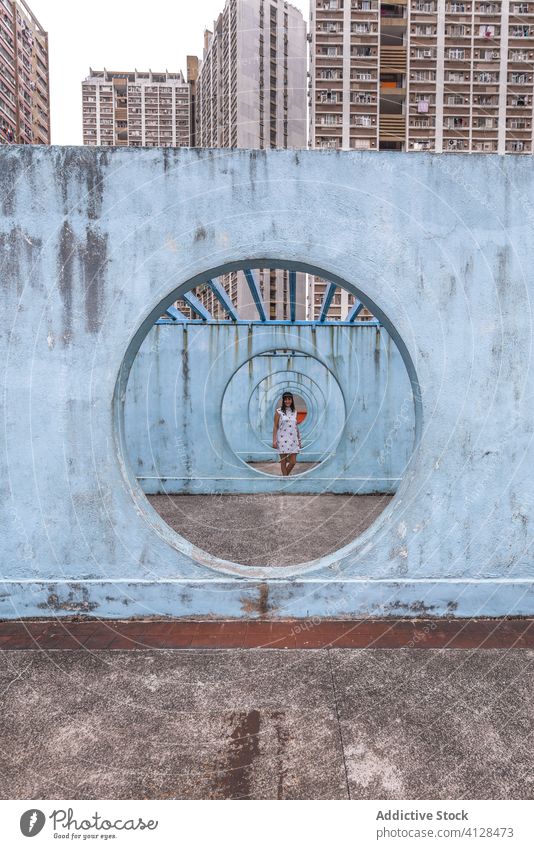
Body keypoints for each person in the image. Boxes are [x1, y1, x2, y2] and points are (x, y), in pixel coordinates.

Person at [272, 391, 302, 476]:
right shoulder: (278, 411)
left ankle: (285, 478)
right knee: (283, 461)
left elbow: (296, 427)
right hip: (282, 439)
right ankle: (285, 480)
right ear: (283, 400)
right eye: (285, 399)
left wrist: (299, 440)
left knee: (293, 462)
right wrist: (274, 440)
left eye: (289, 399)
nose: (287, 401)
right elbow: (275, 427)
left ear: (292, 400)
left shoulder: (295, 412)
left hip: (293, 439)